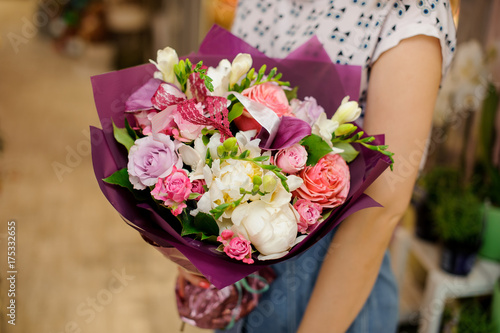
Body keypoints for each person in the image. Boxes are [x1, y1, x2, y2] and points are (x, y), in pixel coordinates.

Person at [178, 0, 457, 332]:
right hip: (242, 272)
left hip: (330, 286)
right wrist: (191, 243)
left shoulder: (409, 9)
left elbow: (381, 210)